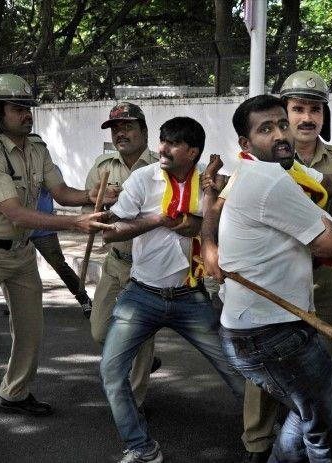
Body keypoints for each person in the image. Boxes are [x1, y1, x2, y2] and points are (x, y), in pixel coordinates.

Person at [0, 73, 118, 463]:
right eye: (18, 109)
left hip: (20, 253)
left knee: (31, 331)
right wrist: (76, 223)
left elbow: (62, 192)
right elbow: (14, 212)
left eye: (28, 108)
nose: (26, 116)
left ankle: (14, 393)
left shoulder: (36, 148)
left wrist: (95, 194)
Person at [203, 94, 332, 462]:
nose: (281, 135)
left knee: (309, 413)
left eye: (281, 125)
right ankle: (259, 444)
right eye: (266, 129)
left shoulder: (278, 170)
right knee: (330, 429)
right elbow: (331, 242)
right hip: (273, 332)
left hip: (270, 324)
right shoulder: (268, 178)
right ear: (246, 144)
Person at [100, 116, 244, 463]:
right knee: (110, 370)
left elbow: (219, 230)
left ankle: (266, 437)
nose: (162, 148)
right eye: (162, 140)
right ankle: (141, 447)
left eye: (173, 143)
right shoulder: (142, 178)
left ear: (192, 152)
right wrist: (157, 219)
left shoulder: (211, 185)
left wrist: (198, 218)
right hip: (142, 294)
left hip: (190, 296)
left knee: (237, 371)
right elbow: (110, 231)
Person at [84, 101, 160, 410]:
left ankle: (135, 402)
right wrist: (98, 203)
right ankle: (131, 361)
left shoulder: (160, 167)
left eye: (127, 126)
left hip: (146, 266)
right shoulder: (103, 166)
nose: (121, 133)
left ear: (143, 130)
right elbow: (89, 209)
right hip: (115, 261)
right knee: (100, 329)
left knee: (139, 335)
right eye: (115, 129)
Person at [31, 165, 92, 314]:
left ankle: (83, 297)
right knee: (15, 267)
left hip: (44, 229)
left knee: (59, 265)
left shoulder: (49, 169)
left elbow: (62, 194)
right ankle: (16, 303)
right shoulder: (12, 165)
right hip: (19, 228)